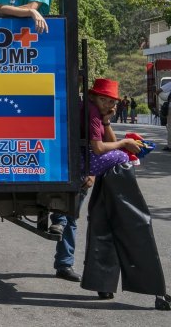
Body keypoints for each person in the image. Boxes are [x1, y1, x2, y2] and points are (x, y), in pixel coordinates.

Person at [80, 77, 170, 309]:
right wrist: (123, 145)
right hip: (86, 163)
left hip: (93, 166)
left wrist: (108, 122)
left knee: (104, 219)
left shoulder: (97, 114)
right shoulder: (90, 113)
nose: (107, 105)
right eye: (103, 100)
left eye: (111, 102)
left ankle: (104, 284)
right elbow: (100, 148)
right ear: (93, 97)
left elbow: (107, 139)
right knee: (121, 157)